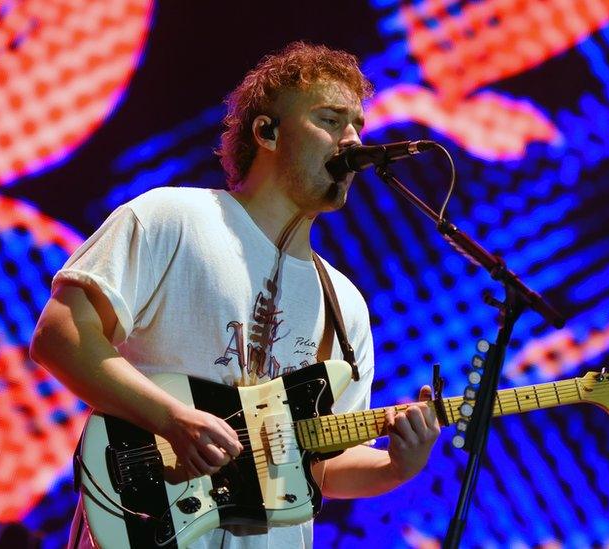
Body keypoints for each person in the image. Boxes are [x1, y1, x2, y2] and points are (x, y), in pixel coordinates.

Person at [30, 41, 441, 549]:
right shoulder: (172, 218)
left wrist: (397, 465)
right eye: (332, 120)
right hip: (148, 526)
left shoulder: (345, 303)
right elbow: (61, 336)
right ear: (266, 131)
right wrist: (171, 419)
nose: (353, 140)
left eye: (357, 123)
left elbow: (323, 468)